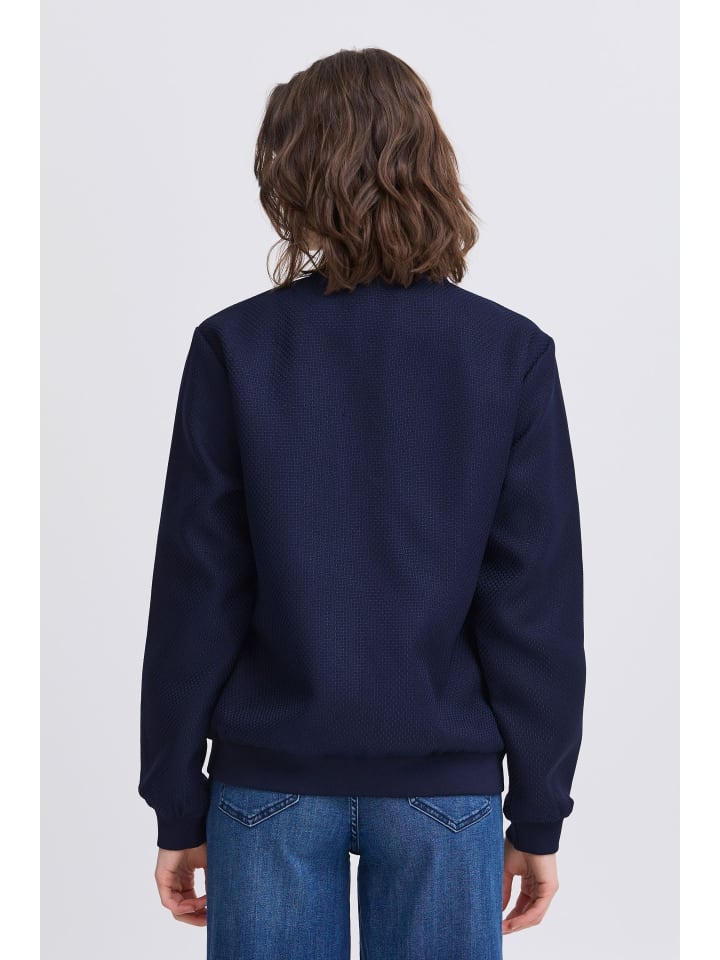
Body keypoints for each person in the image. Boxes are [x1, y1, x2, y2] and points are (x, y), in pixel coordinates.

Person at [138, 46, 586, 960]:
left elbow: (197, 593)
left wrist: (177, 804)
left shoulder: (235, 348)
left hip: (266, 786)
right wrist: (538, 812)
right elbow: (533, 607)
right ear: (431, 165)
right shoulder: (508, 355)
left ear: (293, 174)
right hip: (446, 793)